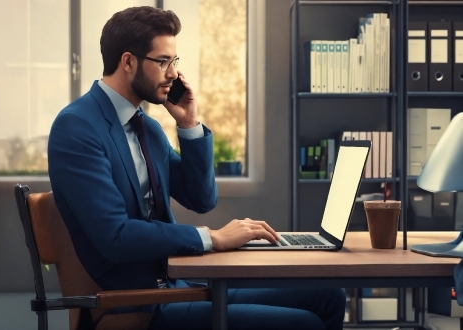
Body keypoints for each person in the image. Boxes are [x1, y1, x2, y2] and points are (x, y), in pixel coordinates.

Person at [48, 6, 345, 330]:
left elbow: (201, 198)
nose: (173, 73)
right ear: (128, 62)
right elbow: (115, 236)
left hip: (175, 288)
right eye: (162, 62)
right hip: (134, 306)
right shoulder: (77, 127)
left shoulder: (146, 126)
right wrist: (211, 238)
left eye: (174, 62)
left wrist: (189, 124)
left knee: (328, 295)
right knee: (302, 323)